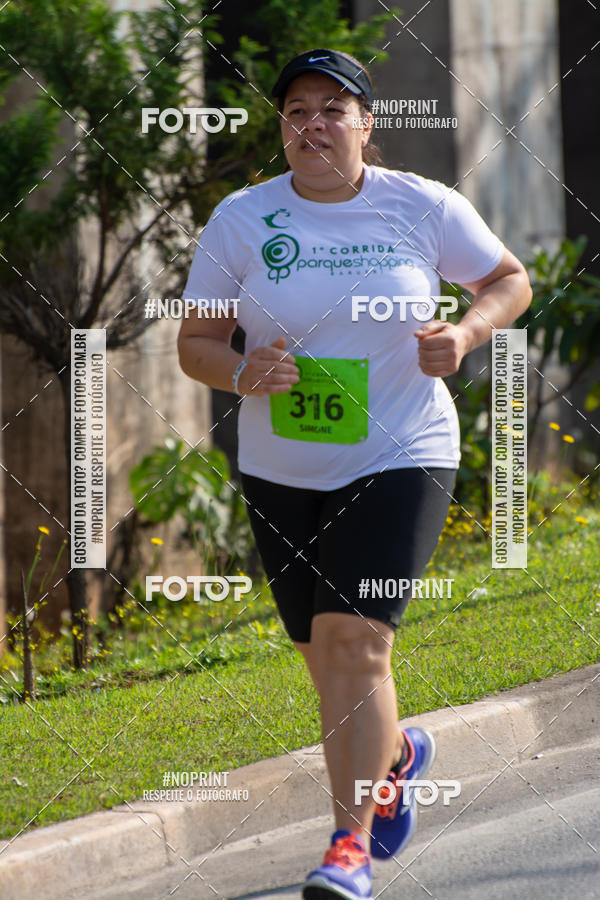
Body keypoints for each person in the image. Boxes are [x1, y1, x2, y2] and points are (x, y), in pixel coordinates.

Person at [178, 48, 532, 900]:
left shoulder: (422, 205)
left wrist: (466, 334)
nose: (314, 125)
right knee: (325, 655)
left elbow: (508, 280)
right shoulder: (242, 219)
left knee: (355, 643)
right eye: (297, 111)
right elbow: (196, 343)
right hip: (281, 466)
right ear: (282, 128)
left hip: (400, 450)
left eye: (333, 110)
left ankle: (349, 846)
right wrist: (241, 371)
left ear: (367, 125)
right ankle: (398, 754)